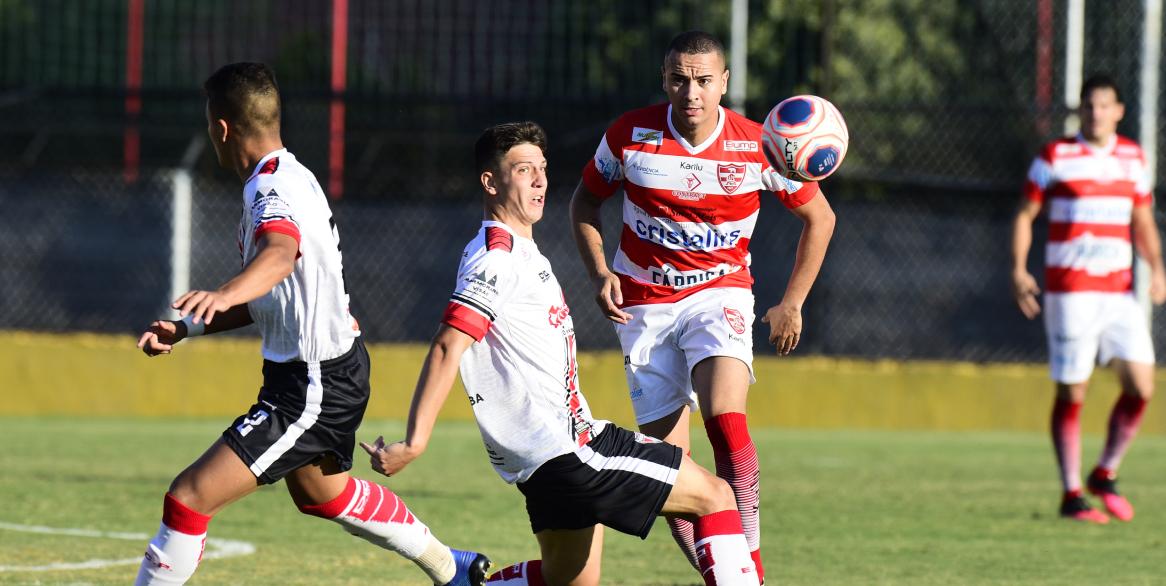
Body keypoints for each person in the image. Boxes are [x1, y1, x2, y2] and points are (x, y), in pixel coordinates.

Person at [133, 62, 489, 585]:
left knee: (188, 498)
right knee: (325, 494)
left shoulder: (269, 190)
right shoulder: (291, 175)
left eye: (210, 125)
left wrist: (223, 290)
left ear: (223, 128)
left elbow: (280, 253)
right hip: (320, 372)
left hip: (313, 383)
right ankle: (450, 567)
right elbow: (274, 291)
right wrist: (189, 327)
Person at [361, 121, 760, 586]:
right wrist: (415, 441)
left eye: (543, 169)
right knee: (715, 496)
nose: (539, 180)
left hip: (541, 465)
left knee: (569, 578)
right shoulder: (498, 256)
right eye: (523, 169)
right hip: (573, 450)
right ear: (490, 182)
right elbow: (450, 343)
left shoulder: (519, 252)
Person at [568, 31, 835, 581]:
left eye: (704, 80)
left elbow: (821, 217)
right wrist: (599, 274)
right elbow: (584, 202)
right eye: (679, 79)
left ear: (725, 83)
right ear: (665, 80)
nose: (691, 92)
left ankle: (751, 572)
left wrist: (793, 303)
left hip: (721, 296)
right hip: (643, 305)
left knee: (727, 421)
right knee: (675, 478)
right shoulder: (630, 136)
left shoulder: (758, 144)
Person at [1011, 73, 1164, 524]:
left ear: (1118, 111)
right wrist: (1019, 270)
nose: (1096, 113)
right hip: (1070, 292)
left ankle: (1105, 472)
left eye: (1104, 106)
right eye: (1089, 106)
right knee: (1073, 390)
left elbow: (1143, 219)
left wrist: (1157, 268)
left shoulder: (1134, 159)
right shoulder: (1056, 155)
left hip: (1118, 292)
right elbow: (1025, 214)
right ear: (1081, 111)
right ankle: (1072, 493)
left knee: (1142, 385)